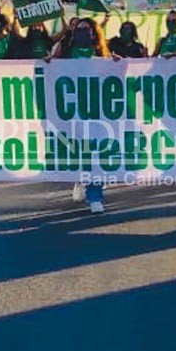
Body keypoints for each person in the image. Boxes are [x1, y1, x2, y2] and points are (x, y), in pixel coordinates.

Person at [51, 17, 111, 213]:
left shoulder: (101, 54)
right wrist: (48, 63)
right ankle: (81, 180)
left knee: (95, 154)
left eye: (87, 29)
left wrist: (117, 64)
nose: (83, 33)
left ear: (94, 33)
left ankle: (95, 196)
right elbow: (52, 72)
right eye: (79, 29)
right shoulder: (66, 53)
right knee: (81, 152)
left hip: (96, 112)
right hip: (73, 112)